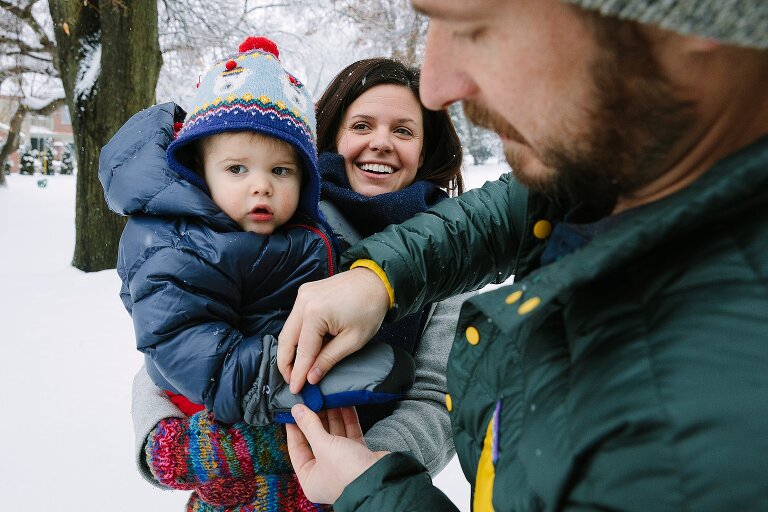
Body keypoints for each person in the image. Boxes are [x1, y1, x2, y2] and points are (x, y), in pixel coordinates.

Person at [277, 1, 768, 510]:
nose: (438, 88)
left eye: (476, 28)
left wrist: (369, 490)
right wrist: (377, 279)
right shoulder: (606, 175)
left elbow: (431, 403)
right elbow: (503, 212)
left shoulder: (696, 454)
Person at [125, 56, 471, 509]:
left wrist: (362, 471)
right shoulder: (277, 212)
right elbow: (174, 335)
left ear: (424, 151)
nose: (381, 143)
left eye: (403, 131)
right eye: (362, 125)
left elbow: (435, 398)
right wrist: (169, 439)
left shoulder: (450, 256)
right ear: (332, 136)